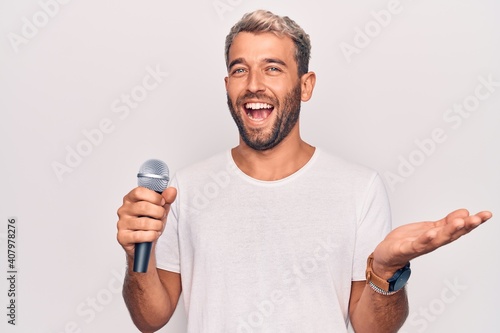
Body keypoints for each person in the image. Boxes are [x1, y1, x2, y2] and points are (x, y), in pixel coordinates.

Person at [116, 9, 492, 333]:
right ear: (227, 85)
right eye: (239, 69)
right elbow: (150, 319)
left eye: (272, 68)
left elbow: (372, 328)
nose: (254, 85)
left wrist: (386, 271)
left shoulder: (359, 188)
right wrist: (136, 257)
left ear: (305, 85)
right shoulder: (184, 188)